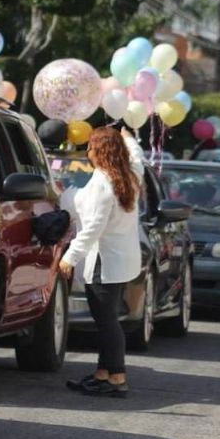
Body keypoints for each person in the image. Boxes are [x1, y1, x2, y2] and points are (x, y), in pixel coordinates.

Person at [60, 126, 143, 398]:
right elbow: (138, 157)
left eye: (92, 147)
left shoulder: (102, 184)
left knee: (106, 322)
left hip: (104, 262)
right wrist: (128, 138)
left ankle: (117, 377)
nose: (88, 152)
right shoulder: (130, 176)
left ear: (101, 151)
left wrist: (70, 257)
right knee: (107, 320)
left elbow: (93, 228)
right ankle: (103, 374)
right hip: (122, 260)